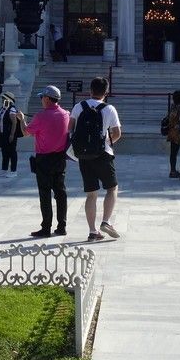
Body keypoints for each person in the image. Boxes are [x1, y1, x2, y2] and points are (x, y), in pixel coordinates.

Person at [69, 76, 122, 241]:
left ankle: (92, 231)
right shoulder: (109, 109)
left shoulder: (79, 106)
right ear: (106, 92)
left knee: (91, 194)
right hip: (103, 154)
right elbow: (117, 133)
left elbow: (70, 129)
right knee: (112, 188)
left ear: (90, 90)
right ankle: (106, 221)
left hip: (84, 155)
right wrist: (105, 142)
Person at [21, 85, 71, 237]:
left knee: (45, 193)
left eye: (42, 97)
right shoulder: (66, 114)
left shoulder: (41, 116)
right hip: (60, 158)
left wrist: (21, 120)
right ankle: (62, 226)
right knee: (60, 193)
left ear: (48, 98)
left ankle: (46, 227)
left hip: (44, 159)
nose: (41, 100)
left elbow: (25, 132)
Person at [0, 92, 23, 176]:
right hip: (3, 133)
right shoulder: (3, 108)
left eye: (4, 98)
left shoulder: (12, 109)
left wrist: (12, 135)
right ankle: (4, 169)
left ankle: (13, 171)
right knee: (4, 152)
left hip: (9, 134)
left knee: (12, 152)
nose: (2, 100)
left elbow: (14, 122)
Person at [164, 90, 180, 178]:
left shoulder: (173, 106)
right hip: (176, 132)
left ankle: (173, 170)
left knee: (173, 152)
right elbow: (173, 118)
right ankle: (173, 171)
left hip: (173, 131)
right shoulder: (177, 107)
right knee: (174, 152)